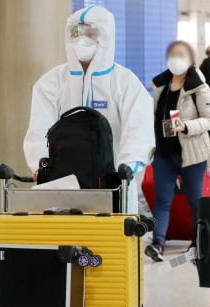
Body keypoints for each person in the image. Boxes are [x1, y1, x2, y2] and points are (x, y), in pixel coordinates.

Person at [23, 6, 154, 214]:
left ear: (106, 37)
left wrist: (126, 170)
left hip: (113, 188)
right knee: (64, 242)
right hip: (62, 187)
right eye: (76, 33)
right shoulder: (51, 83)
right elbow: (38, 130)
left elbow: (139, 131)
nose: (81, 39)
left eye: (90, 33)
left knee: (111, 243)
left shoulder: (125, 82)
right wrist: (40, 167)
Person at [144, 41, 210, 262]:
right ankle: (158, 243)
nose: (176, 59)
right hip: (164, 152)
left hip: (192, 152)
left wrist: (186, 126)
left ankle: (199, 242)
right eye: (173, 54)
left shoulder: (199, 86)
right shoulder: (161, 85)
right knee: (162, 200)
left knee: (195, 199)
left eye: (181, 55)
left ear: (192, 59)